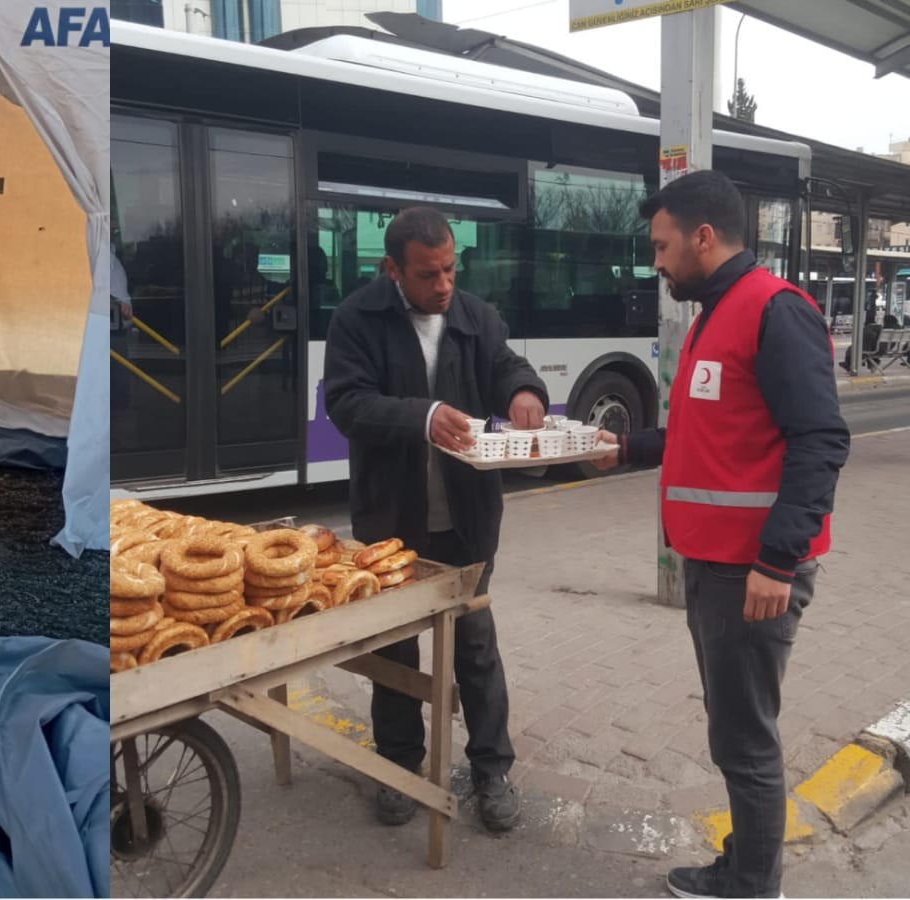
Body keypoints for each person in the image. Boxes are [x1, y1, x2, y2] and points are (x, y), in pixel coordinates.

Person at [594, 170, 848, 899]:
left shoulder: (775, 311)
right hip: (718, 565)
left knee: (744, 739)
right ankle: (744, 863)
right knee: (734, 729)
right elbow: (711, 433)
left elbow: (820, 440)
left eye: (664, 246)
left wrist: (777, 558)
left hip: (752, 573)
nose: (657, 262)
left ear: (704, 237)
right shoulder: (718, 311)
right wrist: (628, 450)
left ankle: (750, 884)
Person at [323, 205, 548, 833]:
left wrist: (524, 391)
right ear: (393, 269)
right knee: (396, 649)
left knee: (475, 647)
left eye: (450, 268)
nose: (443, 284)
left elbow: (506, 365)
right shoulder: (356, 319)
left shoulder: (477, 316)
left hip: (467, 519)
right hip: (392, 518)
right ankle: (399, 767)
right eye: (428, 274)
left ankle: (491, 771)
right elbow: (345, 404)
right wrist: (421, 416)